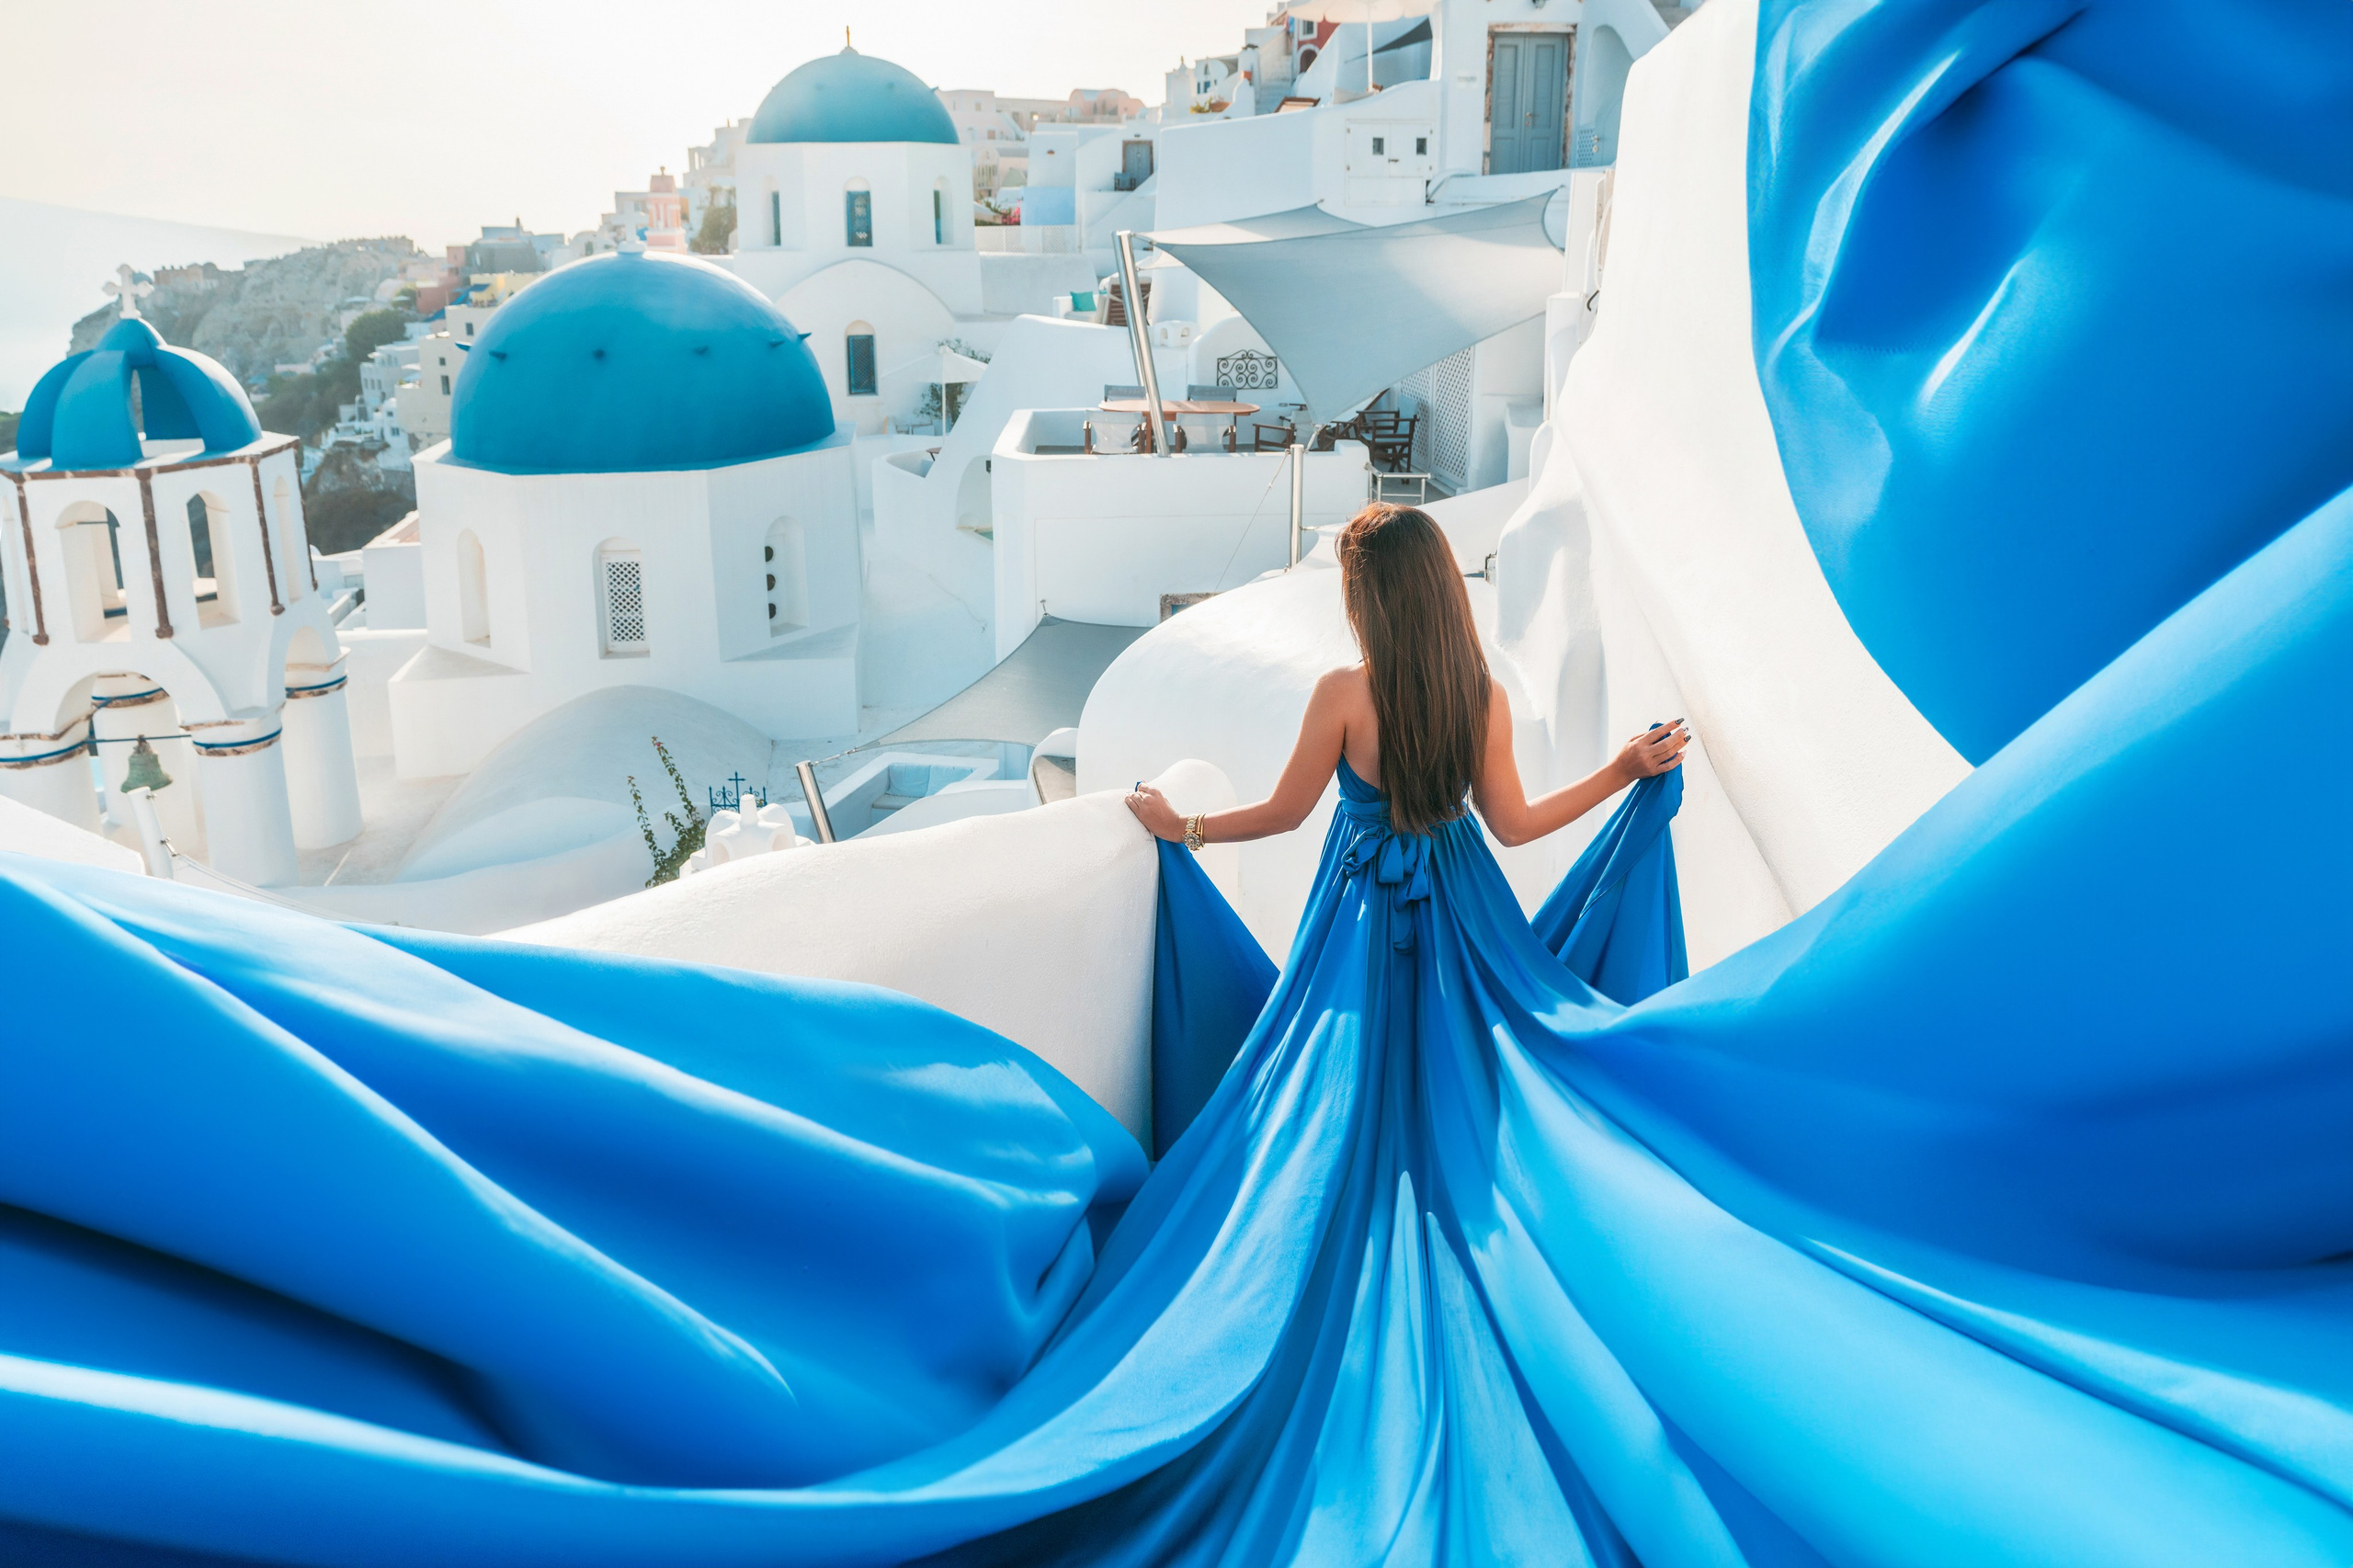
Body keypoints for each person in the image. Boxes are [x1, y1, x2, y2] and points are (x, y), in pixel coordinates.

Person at [1123, 503, 1688, 854]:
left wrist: (1182, 827)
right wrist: (1621, 769)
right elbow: (1514, 828)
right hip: (1461, 900)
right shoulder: (1483, 698)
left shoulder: (1341, 694)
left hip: (1363, 904)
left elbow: (1285, 814)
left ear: (1368, 599)